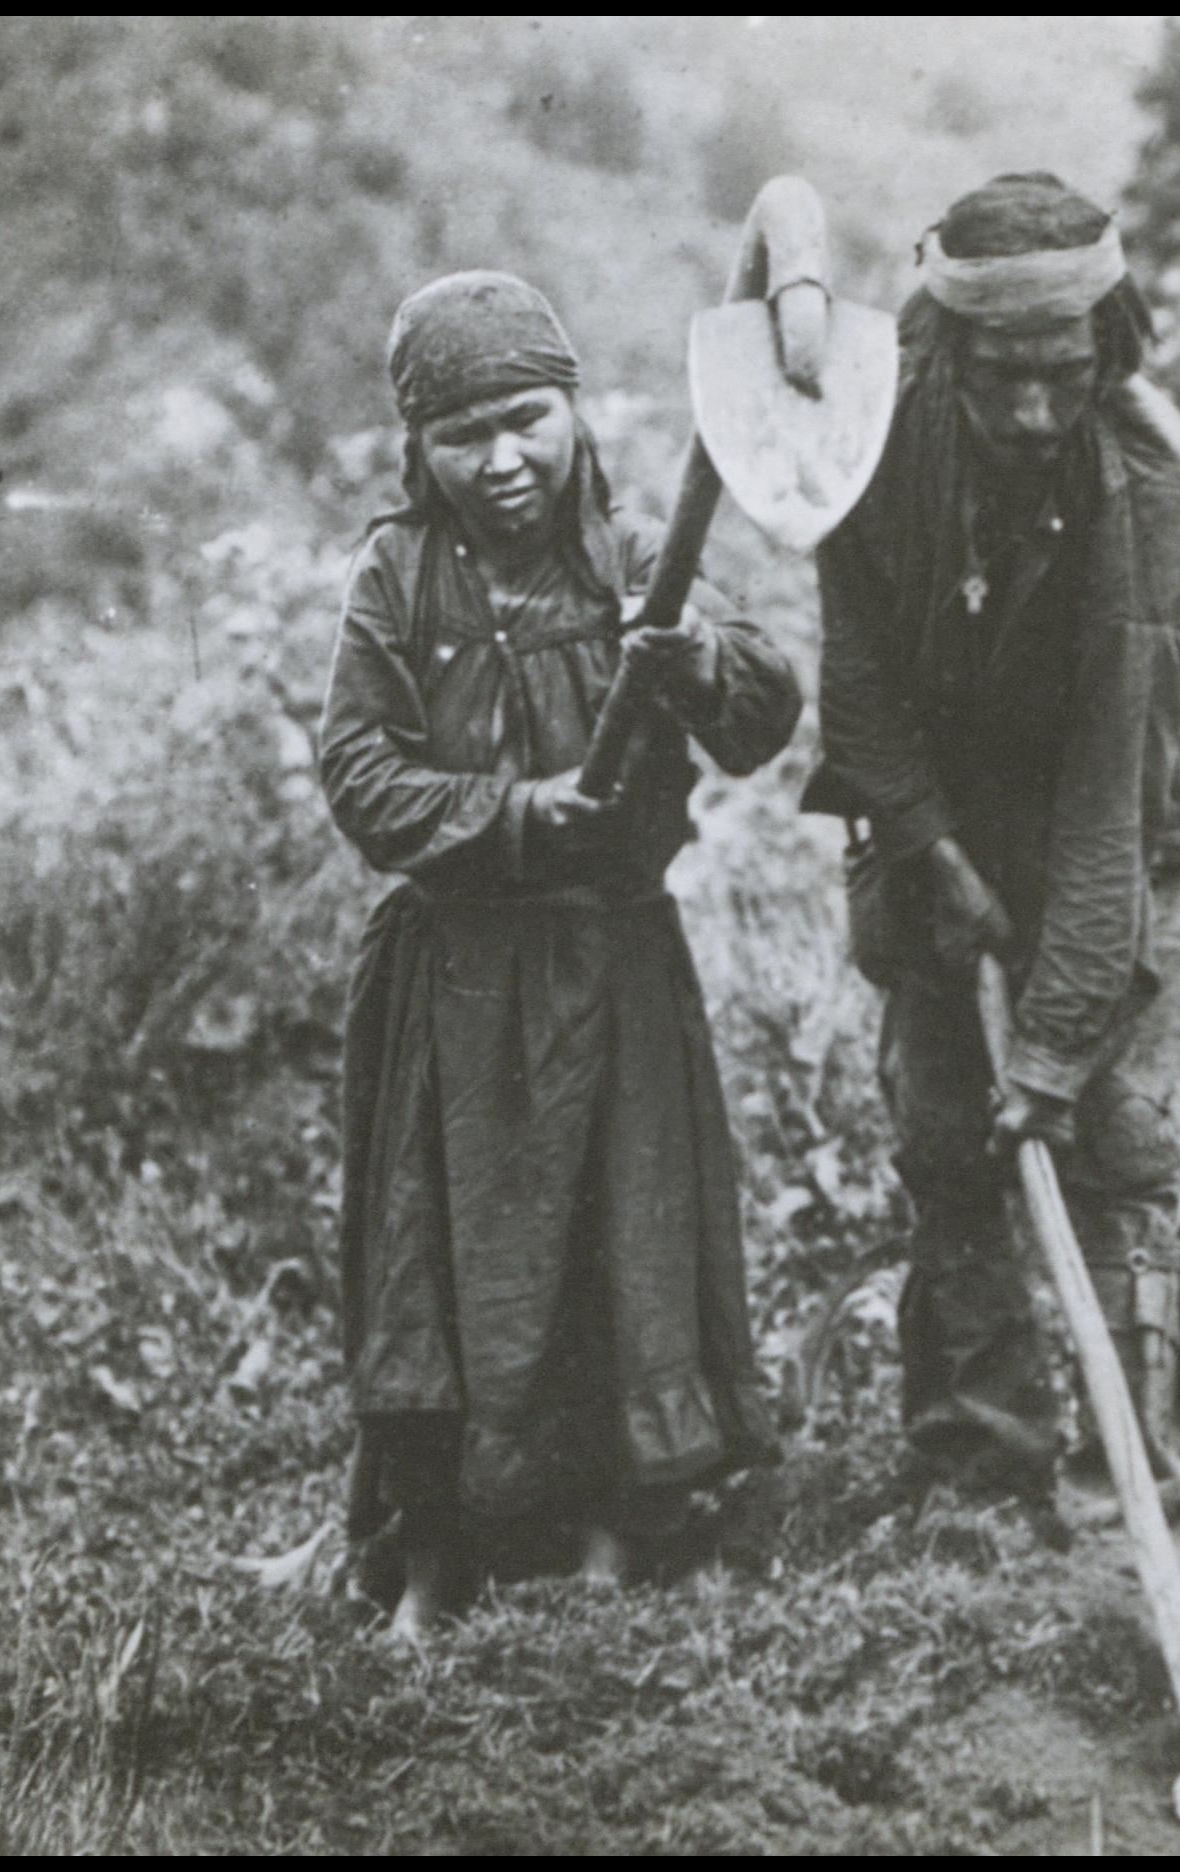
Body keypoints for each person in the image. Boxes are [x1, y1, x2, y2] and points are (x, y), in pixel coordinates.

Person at [320, 271, 795, 1639]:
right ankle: (438, 1558)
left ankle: (607, 1533)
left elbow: (764, 712)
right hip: (454, 981)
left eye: (526, 420)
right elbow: (360, 773)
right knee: (444, 1258)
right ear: (418, 449)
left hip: (612, 964)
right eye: (461, 434)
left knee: (615, 1239)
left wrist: (694, 658)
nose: (501, 460)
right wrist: (518, 812)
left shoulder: (643, 554)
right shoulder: (394, 576)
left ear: (573, 414)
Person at [803, 174, 1180, 1509]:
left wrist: (1049, 1049)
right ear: (948, 354)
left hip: (1119, 790)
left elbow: (1112, 797)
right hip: (935, 791)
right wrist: (928, 848)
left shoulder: (1152, 483)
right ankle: (981, 1454)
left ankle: (1144, 1458)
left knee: (1113, 1134)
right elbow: (860, 678)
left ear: (1105, 349)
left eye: (1064, 374)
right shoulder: (868, 436)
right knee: (946, 1135)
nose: (1034, 411)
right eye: (1002, 377)